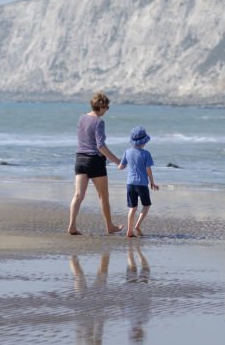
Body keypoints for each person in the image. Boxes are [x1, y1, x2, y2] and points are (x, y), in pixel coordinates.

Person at [67, 91, 122, 235]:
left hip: (80, 159)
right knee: (103, 196)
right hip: (95, 161)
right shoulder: (99, 121)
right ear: (101, 106)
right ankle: (110, 226)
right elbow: (100, 145)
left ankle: (72, 225)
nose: (107, 110)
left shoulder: (81, 118)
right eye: (107, 107)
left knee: (78, 195)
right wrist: (116, 161)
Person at [117, 125, 159, 238]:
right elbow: (148, 170)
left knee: (132, 208)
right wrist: (152, 182)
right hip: (142, 184)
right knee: (146, 205)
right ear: (144, 141)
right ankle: (137, 225)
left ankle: (129, 231)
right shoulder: (146, 154)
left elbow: (120, 167)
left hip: (130, 184)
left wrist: (119, 163)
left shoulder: (127, 152)